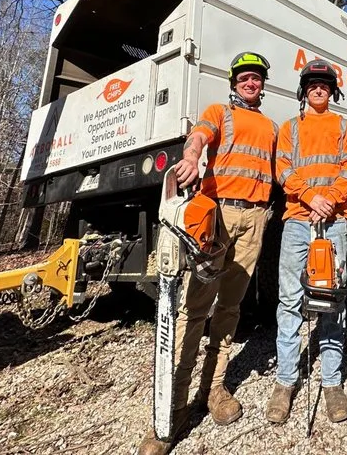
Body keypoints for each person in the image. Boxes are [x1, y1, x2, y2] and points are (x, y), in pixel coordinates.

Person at [138, 52, 277, 455]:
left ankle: (212, 389)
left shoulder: (270, 126)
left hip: (255, 219)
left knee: (230, 307)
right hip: (217, 216)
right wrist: (191, 155)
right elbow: (198, 137)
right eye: (244, 77)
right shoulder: (219, 112)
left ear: (262, 85)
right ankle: (172, 404)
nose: (251, 83)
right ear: (234, 83)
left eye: (256, 78)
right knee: (195, 307)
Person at [265, 59, 347, 425]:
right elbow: (283, 169)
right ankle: (285, 381)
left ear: (332, 91)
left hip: (334, 221)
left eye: (324, 84)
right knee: (290, 300)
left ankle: (332, 383)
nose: (318, 89)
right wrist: (310, 197)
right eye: (312, 84)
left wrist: (330, 200)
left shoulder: (344, 126)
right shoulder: (290, 127)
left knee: (332, 299)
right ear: (304, 90)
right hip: (297, 221)